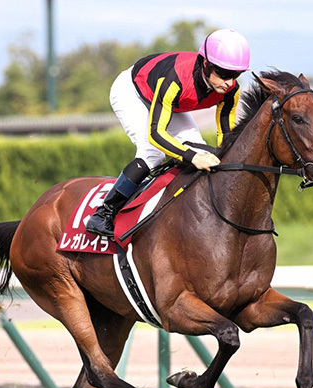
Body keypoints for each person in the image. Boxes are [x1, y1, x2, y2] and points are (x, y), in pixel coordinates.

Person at [85, 28, 251, 238]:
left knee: (204, 150)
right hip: (132, 91)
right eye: (225, 74)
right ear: (207, 64)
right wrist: (192, 157)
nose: (229, 81)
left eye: (236, 75)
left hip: (168, 103)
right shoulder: (175, 80)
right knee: (152, 153)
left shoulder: (231, 91)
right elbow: (156, 134)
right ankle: (103, 214)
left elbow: (226, 136)